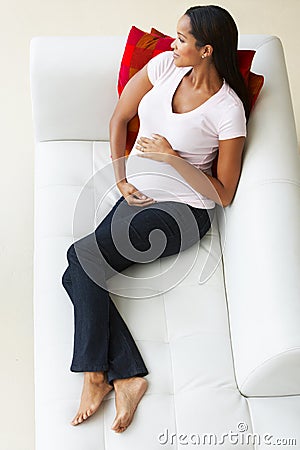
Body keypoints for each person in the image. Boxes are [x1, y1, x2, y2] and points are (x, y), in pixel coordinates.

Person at [61, 5, 248, 434]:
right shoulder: (164, 65)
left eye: (181, 39)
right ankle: (126, 376)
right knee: (78, 268)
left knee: (80, 261)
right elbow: (120, 117)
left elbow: (223, 193)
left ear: (206, 50)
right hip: (139, 194)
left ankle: (96, 375)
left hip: (184, 212)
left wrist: (171, 158)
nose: (171, 43)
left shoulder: (227, 111)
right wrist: (122, 177)